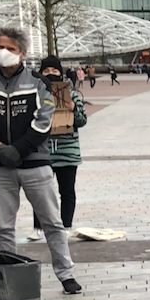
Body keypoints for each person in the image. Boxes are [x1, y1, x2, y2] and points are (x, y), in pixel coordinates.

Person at [0, 26, 81, 299]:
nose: (3, 52)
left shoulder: (38, 82)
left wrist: (20, 149)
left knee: (52, 222)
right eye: (0, 47)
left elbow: (44, 119)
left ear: (23, 53)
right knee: (3, 227)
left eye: (10, 49)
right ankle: (5, 278)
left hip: (34, 163)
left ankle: (66, 275)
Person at [37, 56, 89, 230]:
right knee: (40, 192)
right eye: (46, 71)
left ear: (61, 73)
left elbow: (82, 121)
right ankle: (39, 227)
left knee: (67, 192)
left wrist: (73, 109)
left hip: (67, 152)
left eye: (54, 71)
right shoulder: (35, 95)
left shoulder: (72, 94)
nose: (50, 74)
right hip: (42, 152)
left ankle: (66, 226)